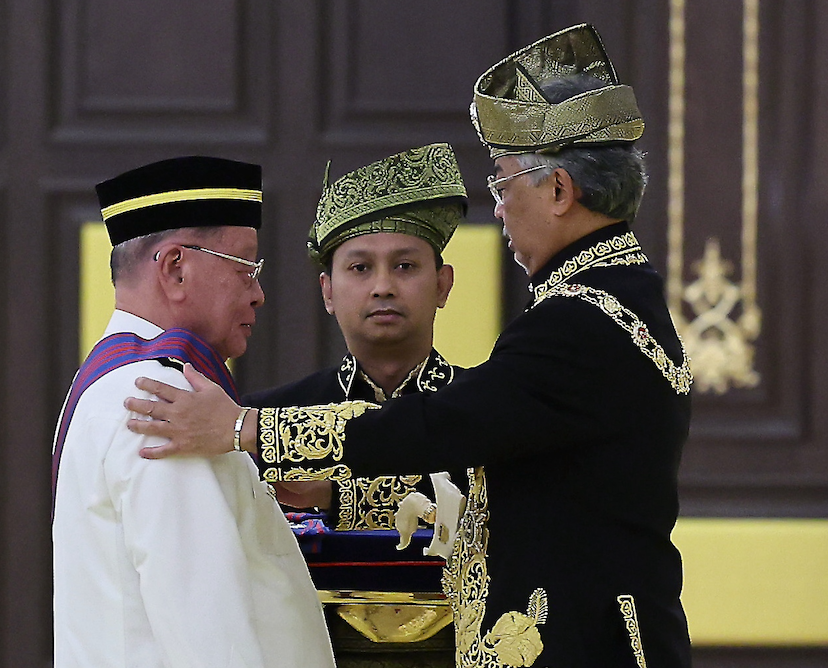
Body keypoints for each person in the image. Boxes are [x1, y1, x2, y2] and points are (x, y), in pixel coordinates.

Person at [127, 24, 693, 668]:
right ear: (327, 289)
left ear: (559, 190)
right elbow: (499, 488)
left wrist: (244, 428)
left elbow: (444, 425)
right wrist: (338, 496)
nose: (499, 209)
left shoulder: (581, 321)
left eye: (504, 184)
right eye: (358, 268)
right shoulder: (613, 302)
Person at [51, 156, 334, 668]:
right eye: (246, 268)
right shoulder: (162, 399)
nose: (258, 294)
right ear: (176, 269)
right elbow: (210, 635)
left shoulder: (113, 382)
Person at [244, 143, 469, 593]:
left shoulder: (492, 406)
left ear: (443, 284)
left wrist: (334, 496)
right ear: (327, 291)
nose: (383, 286)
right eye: (361, 267)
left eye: (405, 266)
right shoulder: (265, 419)